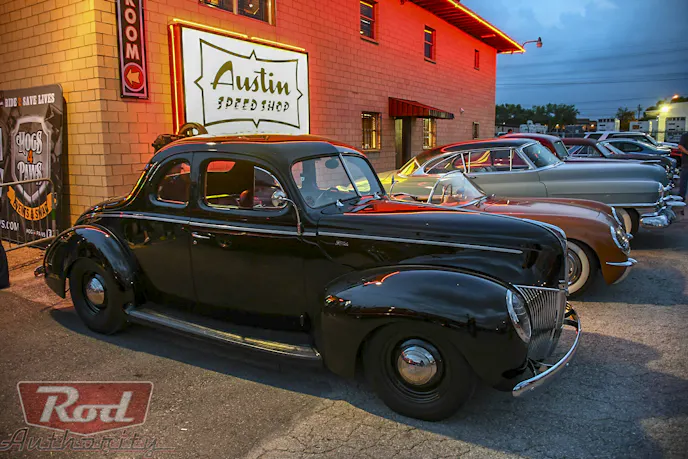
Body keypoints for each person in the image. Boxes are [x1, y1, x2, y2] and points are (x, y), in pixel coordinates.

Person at [679, 131, 688, 200]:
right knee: (684, 180)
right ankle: (682, 197)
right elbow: (680, 146)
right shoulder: (685, 136)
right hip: (686, 162)